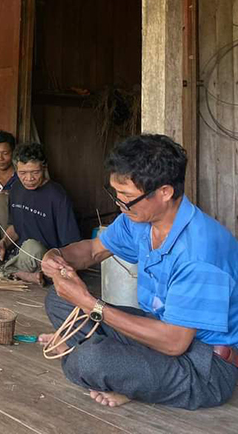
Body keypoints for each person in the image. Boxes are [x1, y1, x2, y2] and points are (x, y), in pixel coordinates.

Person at [39, 134, 238, 410]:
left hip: (204, 365)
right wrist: (56, 257)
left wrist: (89, 304)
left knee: (88, 361)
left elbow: (174, 343)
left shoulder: (199, 252)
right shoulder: (139, 220)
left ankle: (98, 359)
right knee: (58, 298)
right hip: (158, 331)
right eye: (116, 194)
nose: (120, 204)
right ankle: (122, 369)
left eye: (128, 198)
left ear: (165, 192)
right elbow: (93, 250)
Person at [0, 142, 80, 284]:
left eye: (35, 172)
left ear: (44, 168)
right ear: (16, 170)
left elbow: (71, 244)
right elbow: (15, 227)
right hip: (15, 255)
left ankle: (7, 271)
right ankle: (18, 272)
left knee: (32, 246)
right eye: (22, 173)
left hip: (41, 257)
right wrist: (2, 244)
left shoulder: (57, 196)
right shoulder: (16, 189)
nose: (29, 179)